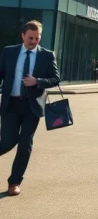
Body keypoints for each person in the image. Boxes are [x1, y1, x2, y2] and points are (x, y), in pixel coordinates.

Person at [0, 21, 60, 196]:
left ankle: (14, 182)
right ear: (23, 35)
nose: (34, 41)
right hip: (11, 104)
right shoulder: (9, 52)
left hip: (31, 107)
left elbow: (55, 78)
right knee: (7, 141)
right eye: (30, 38)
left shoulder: (47, 55)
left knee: (25, 144)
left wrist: (37, 81)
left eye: (37, 38)